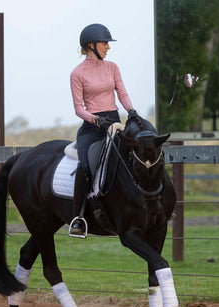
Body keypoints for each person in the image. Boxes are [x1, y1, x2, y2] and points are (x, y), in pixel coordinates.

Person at [69, 23, 135, 237]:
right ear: (91, 45)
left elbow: (122, 94)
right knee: (86, 165)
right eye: (105, 43)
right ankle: (77, 218)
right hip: (93, 128)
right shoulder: (77, 73)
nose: (108, 47)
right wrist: (96, 120)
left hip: (115, 123)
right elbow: (79, 108)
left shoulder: (113, 67)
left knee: (139, 156)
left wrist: (132, 111)